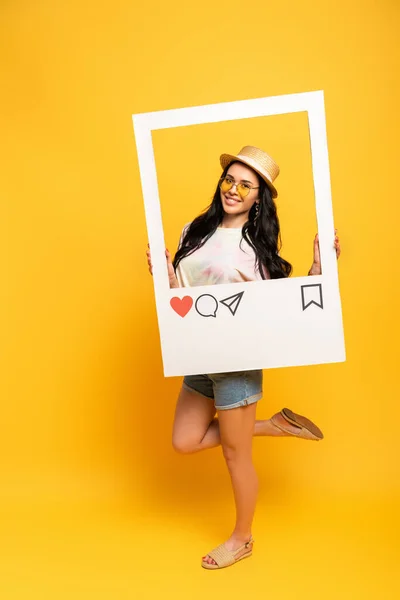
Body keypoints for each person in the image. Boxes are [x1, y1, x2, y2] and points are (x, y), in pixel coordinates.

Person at [145, 145, 341, 570]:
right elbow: (182, 297)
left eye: (245, 185)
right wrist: (161, 275)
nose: (233, 189)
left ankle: (242, 538)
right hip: (196, 353)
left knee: (235, 455)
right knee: (184, 441)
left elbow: (285, 307)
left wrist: (319, 268)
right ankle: (273, 425)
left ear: (258, 198)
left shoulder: (257, 248)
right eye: (229, 180)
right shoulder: (192, 231)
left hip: (236, 362)